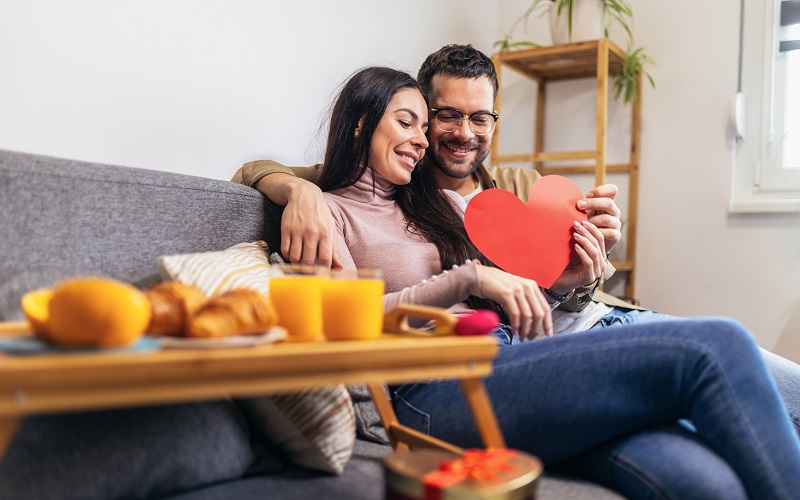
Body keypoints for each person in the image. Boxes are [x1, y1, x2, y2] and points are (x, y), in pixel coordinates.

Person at [302, 64, 800, 499]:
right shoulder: (325, 213)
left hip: (507, 360)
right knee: (717, 343)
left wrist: (568, 279)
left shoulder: (437, 203)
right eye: (408, 122)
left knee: (704, 479)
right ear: (362, 124)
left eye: (421, 125)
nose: (421, 138)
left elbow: (515, 294)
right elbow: (351, 323)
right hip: (427, 389)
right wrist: (469, 276)